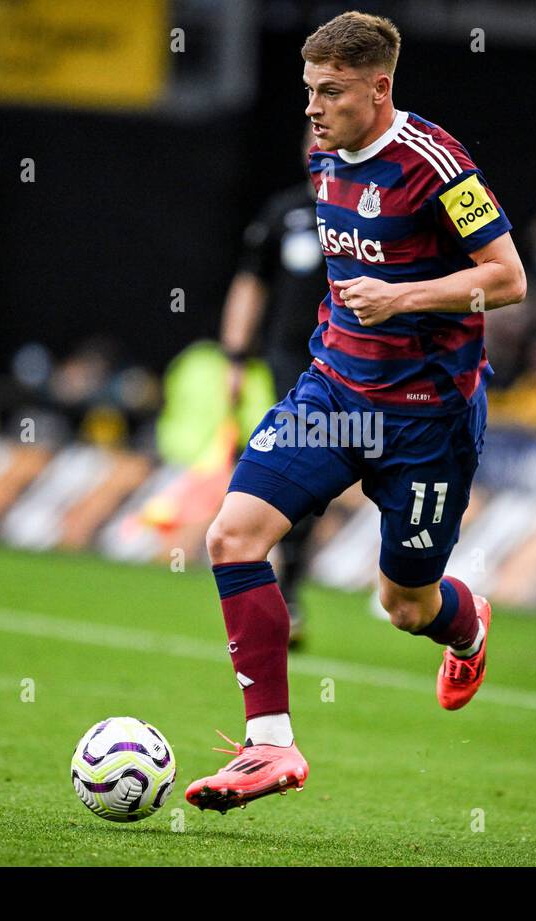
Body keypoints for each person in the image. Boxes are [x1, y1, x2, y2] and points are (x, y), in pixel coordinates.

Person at [185, 11, 527, 813]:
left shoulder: (436, 164)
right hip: (334, 395)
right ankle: (270, 747)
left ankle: (467, 626)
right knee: (232, 536)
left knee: (404, 604)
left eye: (331, 92)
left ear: (380, 88)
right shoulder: (322, 157)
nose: (313, 108)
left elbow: (509, 279)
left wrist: (404, 297)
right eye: (308, 91)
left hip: (427, 421)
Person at [218, 121, 326, 649]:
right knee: (286, 473)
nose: (318, 150)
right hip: (288, 365)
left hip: (352, 370)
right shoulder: (284, 213)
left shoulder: (370, 215)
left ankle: (292, 589)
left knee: (317, 485)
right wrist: (235, 356)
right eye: (310, 141)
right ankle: (280, 596)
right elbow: (249, 283)